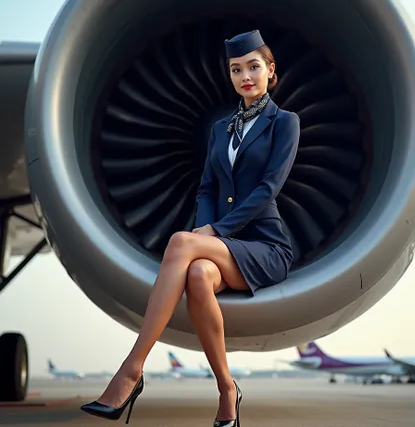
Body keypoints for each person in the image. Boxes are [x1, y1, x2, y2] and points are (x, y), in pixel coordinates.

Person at [80, 29, 300, 426]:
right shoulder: (221, 129)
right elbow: (207, 187)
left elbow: (269, 188)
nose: (244, 76)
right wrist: (206, 235)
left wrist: (211, 233)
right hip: (224, 248)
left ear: (270, 70)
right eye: (236, 69)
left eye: (253, 67)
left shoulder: (285, 123)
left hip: (266, 246)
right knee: (197, 273)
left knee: (182, 244)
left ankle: (132, 370)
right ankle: (226, 390)